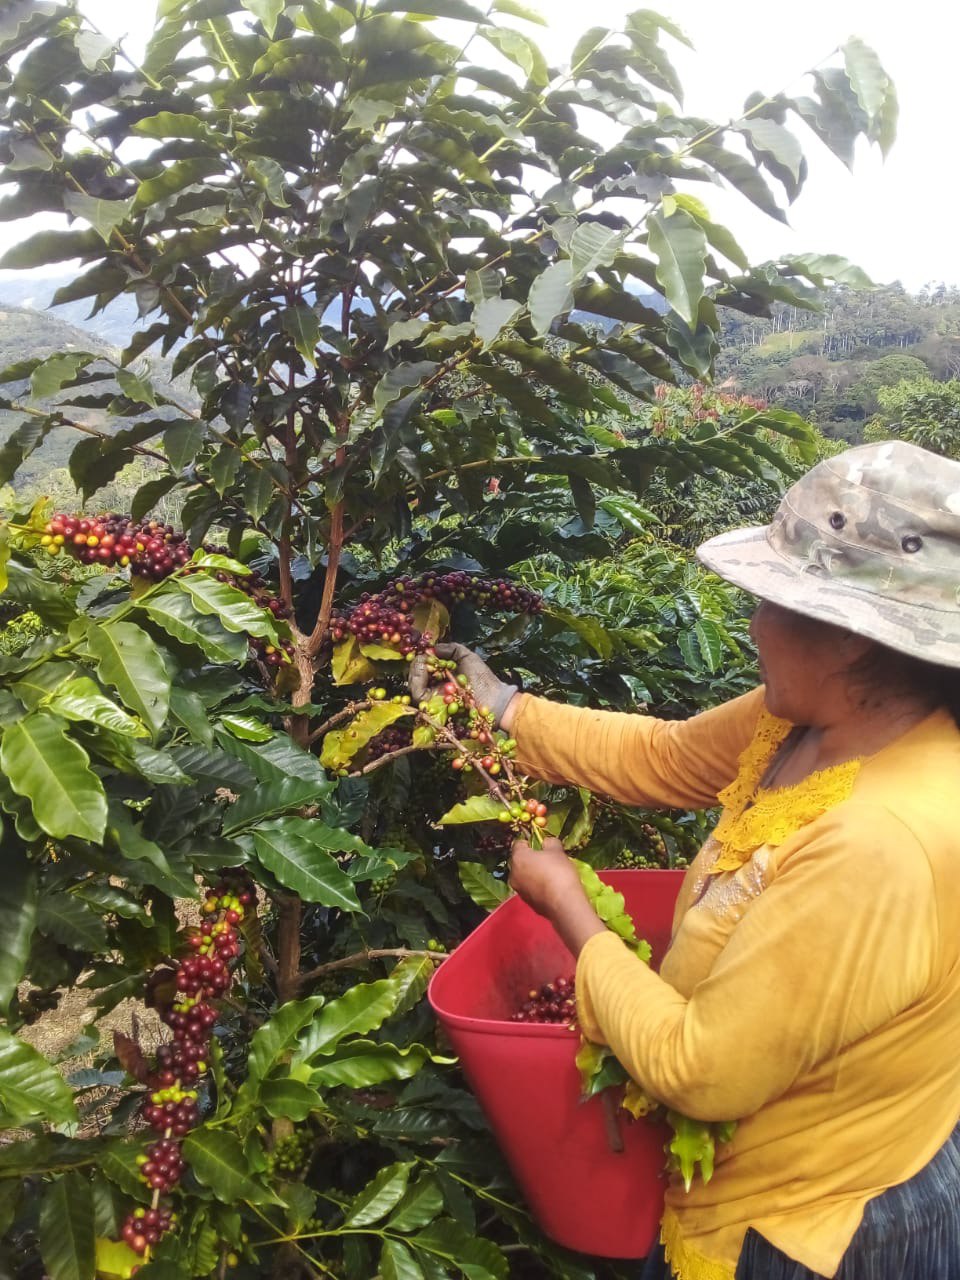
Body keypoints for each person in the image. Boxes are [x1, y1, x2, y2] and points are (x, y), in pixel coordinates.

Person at [411, 441, 960, 1280]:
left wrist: (568, 907)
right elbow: (665, 756)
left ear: (850, 639)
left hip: (817, 1229)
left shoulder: (877, 839)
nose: (751, 625)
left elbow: (701, 1072)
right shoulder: (811, 719)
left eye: (768, 603)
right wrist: (506, 709)